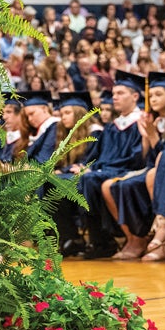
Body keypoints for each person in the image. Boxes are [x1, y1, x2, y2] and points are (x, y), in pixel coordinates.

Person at [102, 71, 165, 260]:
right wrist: (148, 135)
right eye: (151, 95)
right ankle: (135, 238)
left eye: (159, 94)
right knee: (116, 185)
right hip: (158, 168)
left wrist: (151, 135)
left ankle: (164, 230)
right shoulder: (157, 122)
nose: (153, 99)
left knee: (152, 173)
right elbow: (152, 158)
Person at [76, 70, 144, 259]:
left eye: (120, 93)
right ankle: (97, 240)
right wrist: (90, 166)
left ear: (135, 96)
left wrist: (99, 169)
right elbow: (97, 155)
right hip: (105, 171)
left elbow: (137, 158)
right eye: (113, 93)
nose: (115, 97)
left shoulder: (141, 122)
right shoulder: (113, 126)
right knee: (84, 177)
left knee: (90, 179)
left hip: (127, 170)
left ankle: (105, 238)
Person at [51, 92, 98, 256]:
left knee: (57, 184)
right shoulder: (66, 135)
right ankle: (68, 236)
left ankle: (73, 237)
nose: (63, 117)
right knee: (50, 183)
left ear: (79, 113)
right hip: (70, 177)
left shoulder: (95, 133)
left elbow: (93, 161)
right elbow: (64, 165)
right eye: (62, 114)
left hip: (87, 177)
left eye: (67, 113)